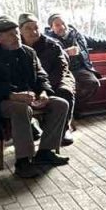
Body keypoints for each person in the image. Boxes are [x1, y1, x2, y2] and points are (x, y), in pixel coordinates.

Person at [0, 17, 70, 179]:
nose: (17, 37)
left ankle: (45, 151)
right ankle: (23, 161)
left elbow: (41, 76)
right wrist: (13, 95)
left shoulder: (28, 52)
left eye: (17, 33)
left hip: (29, 97)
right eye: (11, 35)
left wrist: (44, 92)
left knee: (61, 104)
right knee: (21, 109)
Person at [20, 14, 76, 146]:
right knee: (23, 95)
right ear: (20, 30)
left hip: (56, 78)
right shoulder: (16, 46)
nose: (34, 32)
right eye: (28, 28)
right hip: (30, 82)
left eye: (36, 28)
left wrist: (46, 89)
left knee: (64, 91)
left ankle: (63, 130)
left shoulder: (52, 45)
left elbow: (61, 68)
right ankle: (32, 124)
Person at [44, 13, 106, 114]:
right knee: (67, 89)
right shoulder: (47, 40)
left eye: (63, 23)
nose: (62, 27)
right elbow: (47, 56)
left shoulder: (77, 35)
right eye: (57, 25)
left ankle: (75, 108)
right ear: (51, 28)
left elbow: (96, 42)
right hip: (61, 71)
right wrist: (66, 52)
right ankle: (68, 111)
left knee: (93, 83)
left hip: (80, 69)